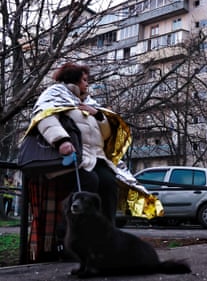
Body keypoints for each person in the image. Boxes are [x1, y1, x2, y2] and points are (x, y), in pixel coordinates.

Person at [23, 62, 131, 261]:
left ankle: (108, 239)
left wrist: (98, 115)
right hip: (68, 159)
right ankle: (68, 233)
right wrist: (61, 141)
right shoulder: (54, 94)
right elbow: (45, 118)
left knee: (109, 184)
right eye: (84, 80)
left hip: (95, 157)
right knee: (90, 183)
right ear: (73, 79)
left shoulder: (89, 102)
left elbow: (105, 134)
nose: (87, 85)